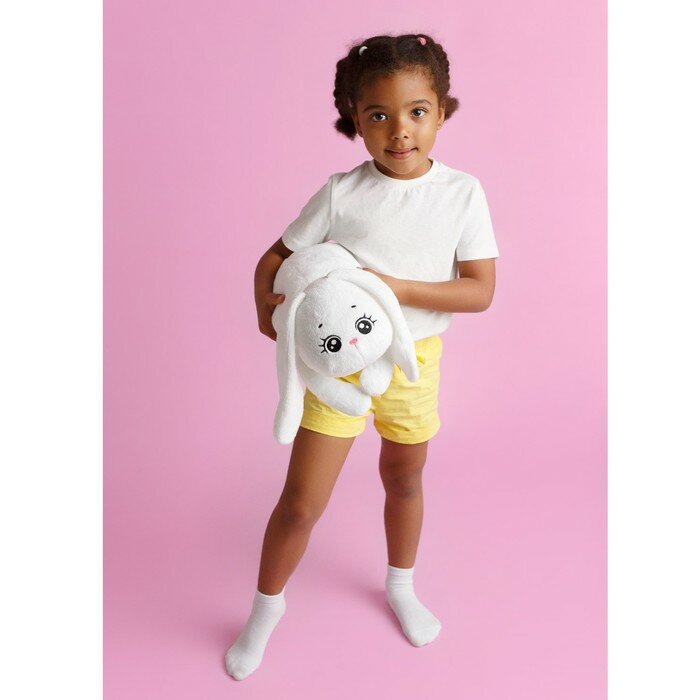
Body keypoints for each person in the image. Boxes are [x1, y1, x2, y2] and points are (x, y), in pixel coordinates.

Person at [226, 32, 499, 681]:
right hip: (337, 365)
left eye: (416, 111)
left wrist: (395, 288)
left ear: (441, 111)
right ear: (355, 119)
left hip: (413, 361)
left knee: (404, 479)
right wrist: (267, 310)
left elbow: (480, 290)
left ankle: (401, 585)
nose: (399, 129)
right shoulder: (341, 193)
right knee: (301, 502)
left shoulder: (462, 194)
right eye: (378, 114)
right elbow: (276, 257)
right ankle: (264, 610)